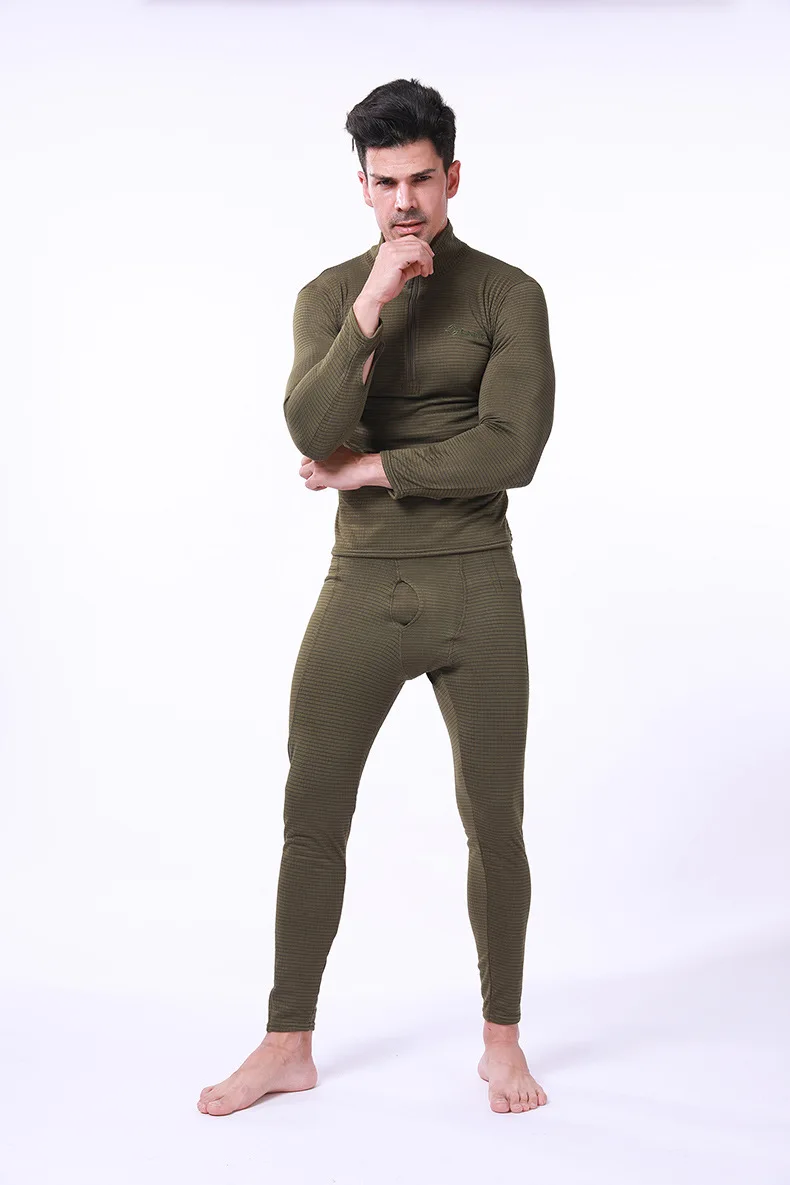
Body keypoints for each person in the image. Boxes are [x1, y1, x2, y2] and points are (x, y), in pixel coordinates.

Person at [198, 77, 555, 1117]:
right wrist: (369, 306)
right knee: (312, 810)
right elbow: (310, 430)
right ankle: (287, 1043)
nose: (406, 201)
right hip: (362, 586)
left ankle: (501, 1043)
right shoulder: (326, 297)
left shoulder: (508, 295)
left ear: (453, 177)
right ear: (362, 185)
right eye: (386, 182)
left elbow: (512, 449)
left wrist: (369, 468)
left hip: (476, 584)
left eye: (422, 180)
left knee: (494, 820)